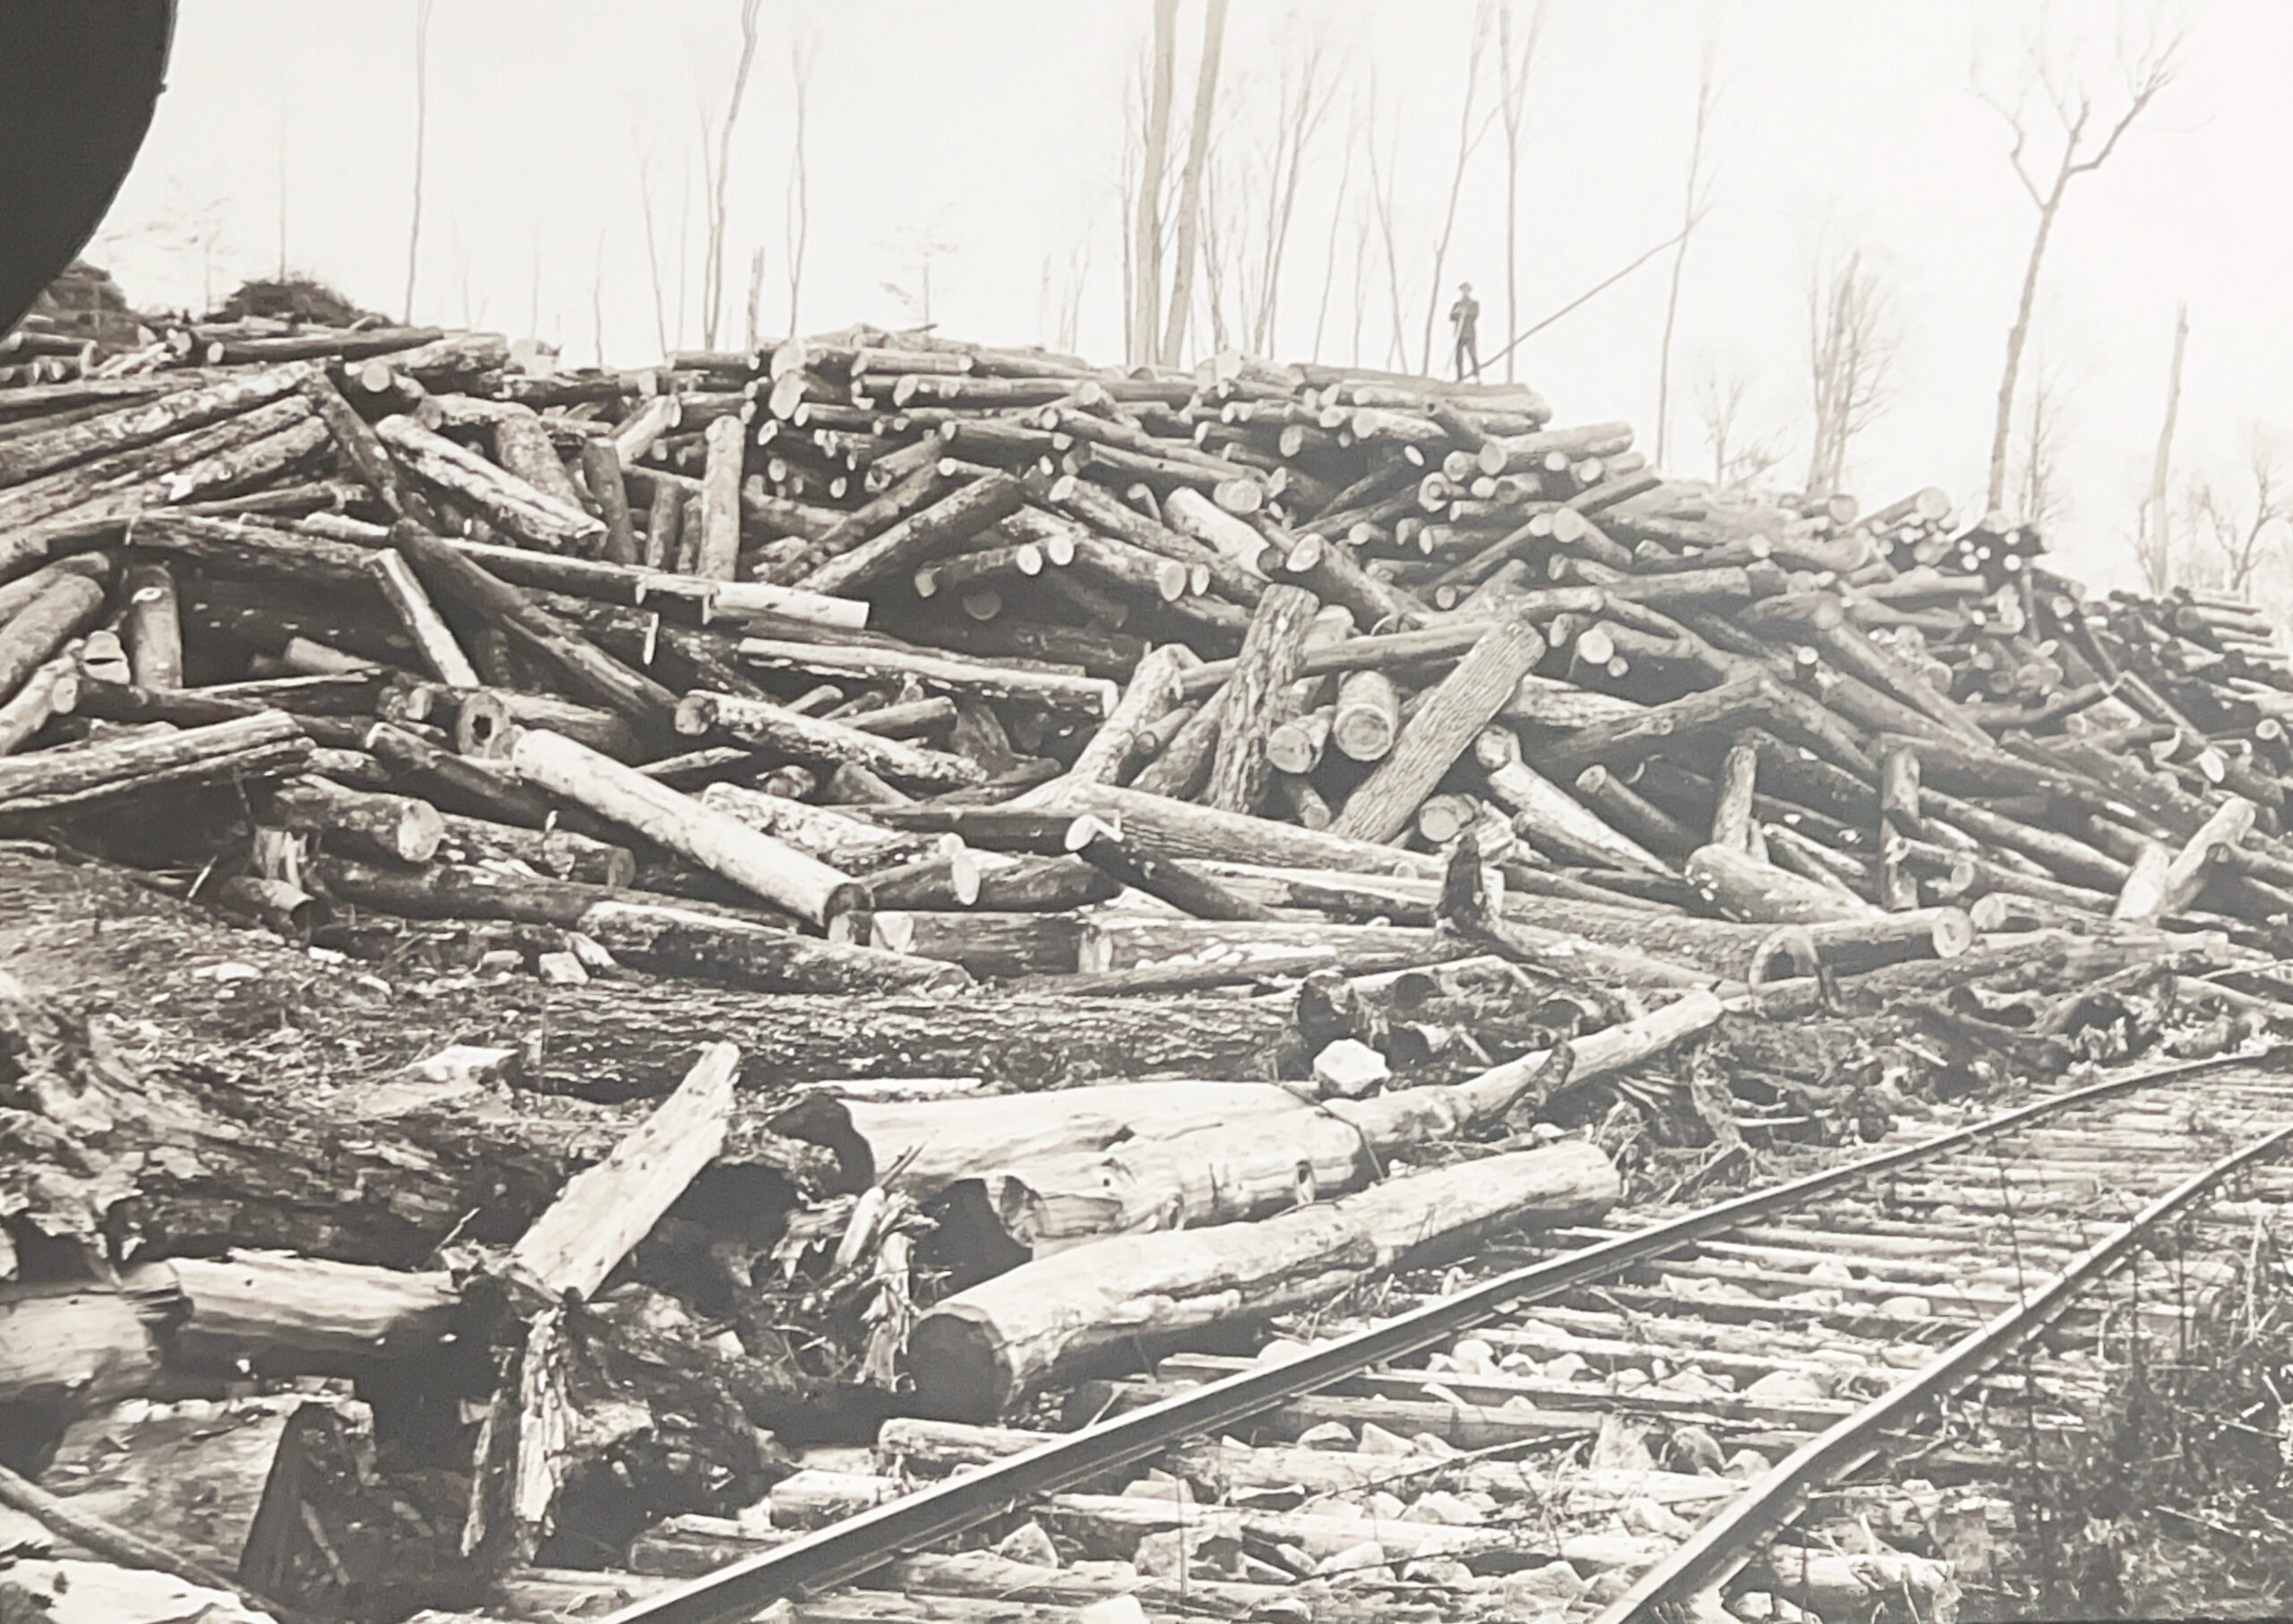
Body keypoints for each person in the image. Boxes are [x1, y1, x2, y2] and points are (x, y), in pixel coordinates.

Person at [1448, 281, 1481, 382]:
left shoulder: (1474, 304)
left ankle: (1477, 377)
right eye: (1463, 290)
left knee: (1472, 354)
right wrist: (1457, 312)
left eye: (1467, 290)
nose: (1465, 292)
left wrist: (1466, 312)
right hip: (1459, 334)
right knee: (1459, 357)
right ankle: (1459, 378)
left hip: (1470, 334)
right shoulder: (1457, 304)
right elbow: (1451, 317)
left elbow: (1475, 315)